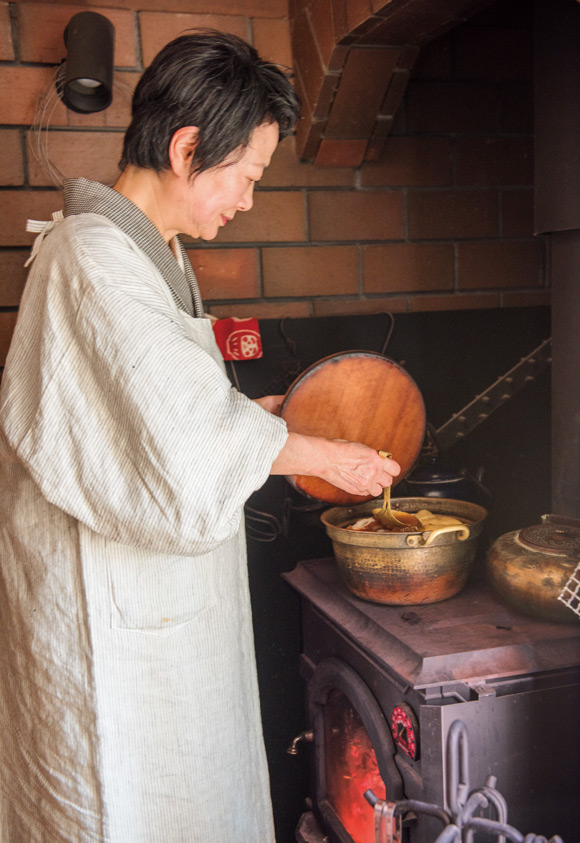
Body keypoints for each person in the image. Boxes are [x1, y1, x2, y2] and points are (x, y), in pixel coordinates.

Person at [0, 30, 400, 843]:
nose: (247, 198)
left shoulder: (147, 257)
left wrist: (260, 419)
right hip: (109, 636)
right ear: (187, 149)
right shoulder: (92, 259)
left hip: (150, 613)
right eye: (246, 175)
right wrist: (332, 457)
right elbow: (183, 438)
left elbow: (154, 415)